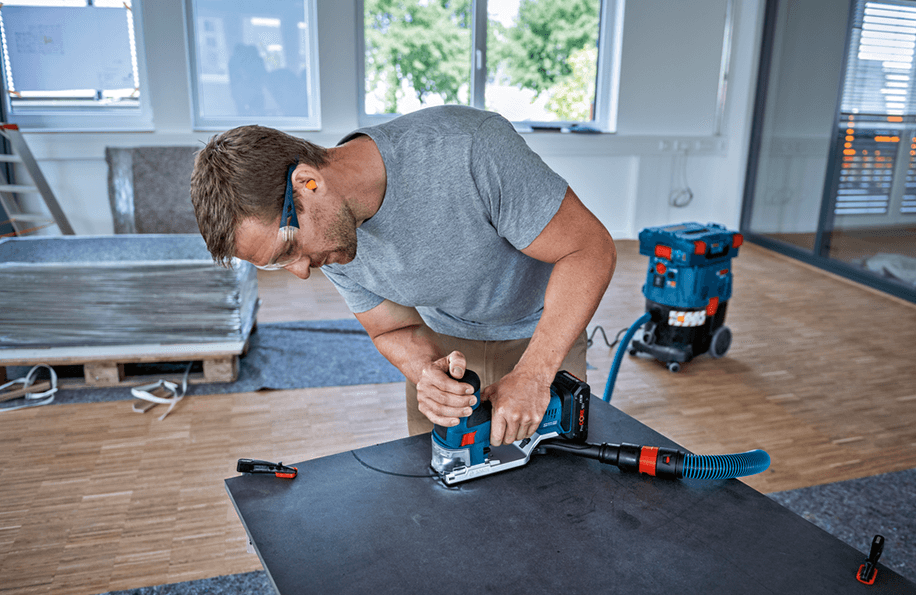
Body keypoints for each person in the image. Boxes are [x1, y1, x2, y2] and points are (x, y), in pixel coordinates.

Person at [190, 105, 616, 446]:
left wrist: (535, 373)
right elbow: (389, 328)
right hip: (449, 343)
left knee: (554, 501)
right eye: (277, 263)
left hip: (543, 333)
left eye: (288, 250)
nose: (300, 270)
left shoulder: (468, 149)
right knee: (439, 509)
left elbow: (589, 249)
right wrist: (427, 374)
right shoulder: (332, 240)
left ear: (307, 182)